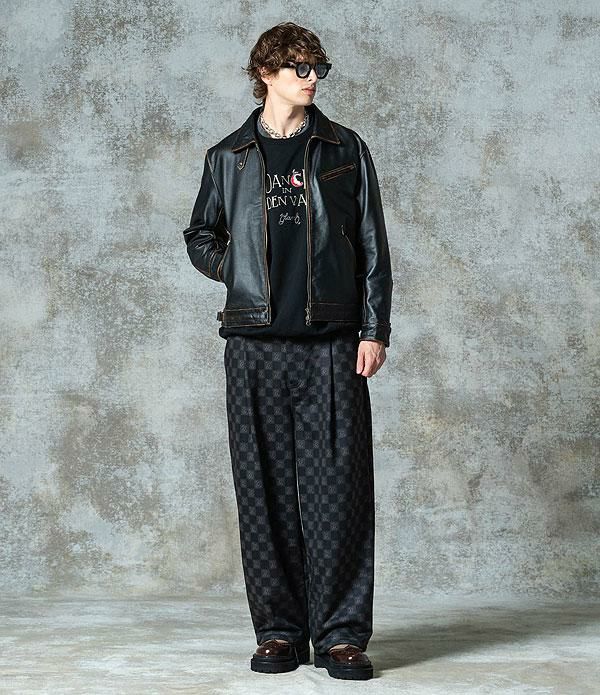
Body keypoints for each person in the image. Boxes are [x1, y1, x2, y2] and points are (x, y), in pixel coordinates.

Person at [182, 21, 392, 681]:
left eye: (317, 68)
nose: (311, 78)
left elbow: (372, 244)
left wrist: (374, 329)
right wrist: (238, 272)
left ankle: (341, 637)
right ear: (265, 73)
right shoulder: (228, 156)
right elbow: (200, 233)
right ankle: (278, 631)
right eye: (299, 67)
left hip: (332, 343)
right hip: (253, 348)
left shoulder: (344, 148)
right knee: (263, 493)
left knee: (340, 493)